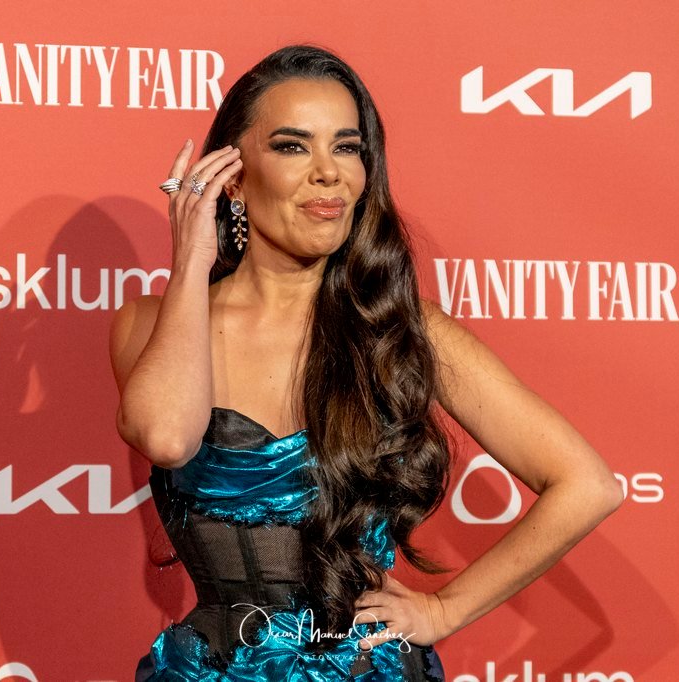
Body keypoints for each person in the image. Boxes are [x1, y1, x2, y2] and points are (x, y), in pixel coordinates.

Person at [109, 44, 623, 682]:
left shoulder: (402, 332)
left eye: (347, 148)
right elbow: (166, 436)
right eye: (293, 146)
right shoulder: (148, 324)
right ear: (232, 177)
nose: (328, 173)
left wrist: (444, 609)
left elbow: (588, 485)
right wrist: (191, 258)